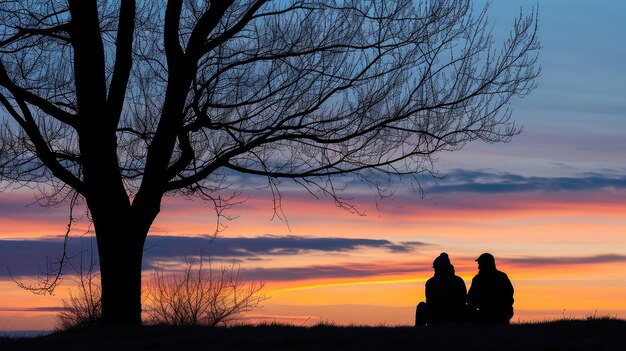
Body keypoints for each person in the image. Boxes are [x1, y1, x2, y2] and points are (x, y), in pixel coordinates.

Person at [415, 252, 467, 326]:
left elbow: (430, 302)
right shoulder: (458, 280)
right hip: (456, 314)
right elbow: (464, 299)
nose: (435, 270)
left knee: (421, 306)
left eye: (436, 268)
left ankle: (419, 330)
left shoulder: (431, 282)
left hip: (439, 315)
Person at [467, 253, 514, 324]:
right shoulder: (502, 276)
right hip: (500, 313)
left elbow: (471, 299)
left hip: (493, 313)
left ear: (486, 264)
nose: (479, 267)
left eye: (480, 264)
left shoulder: (478, 279)